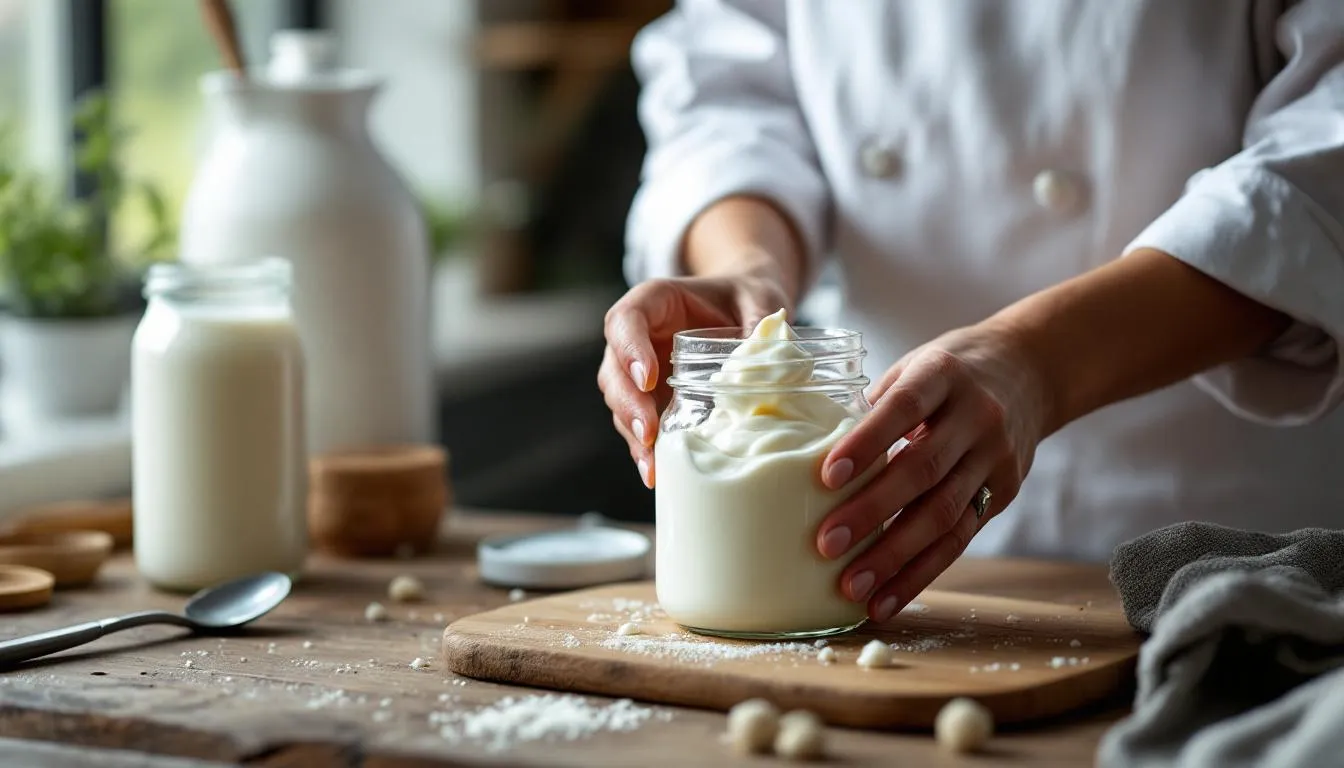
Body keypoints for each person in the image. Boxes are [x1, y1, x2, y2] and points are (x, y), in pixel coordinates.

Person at [598, 0, 1344, 623]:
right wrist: (745, 269)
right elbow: (730, 91)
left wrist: (1040, 363)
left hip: (1236, 549)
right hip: (900, 531)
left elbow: (1319, 165)